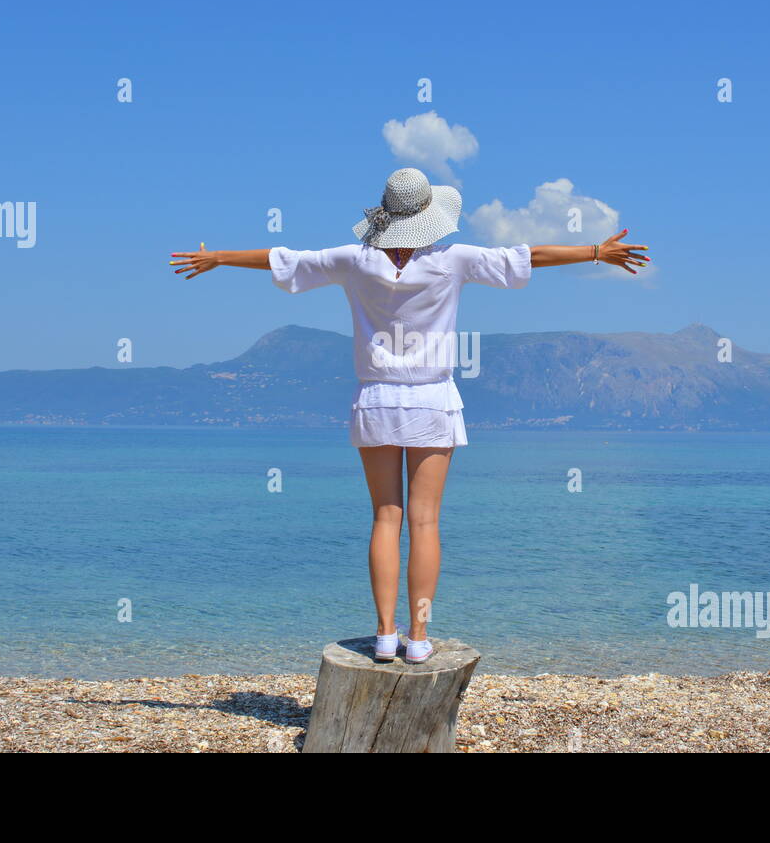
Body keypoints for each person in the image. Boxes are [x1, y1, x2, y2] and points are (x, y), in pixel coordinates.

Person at [170, 168, 649, 663]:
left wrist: (217, 258)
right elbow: (528, 256)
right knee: (424, 523)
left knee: (385, 517)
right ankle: (418, 638)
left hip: (376, 399)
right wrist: (596, 251)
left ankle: (383, 635)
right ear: (428, 215)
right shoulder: (452, 260)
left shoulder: (353, 261)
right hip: (432, 400)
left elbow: (282, 258)